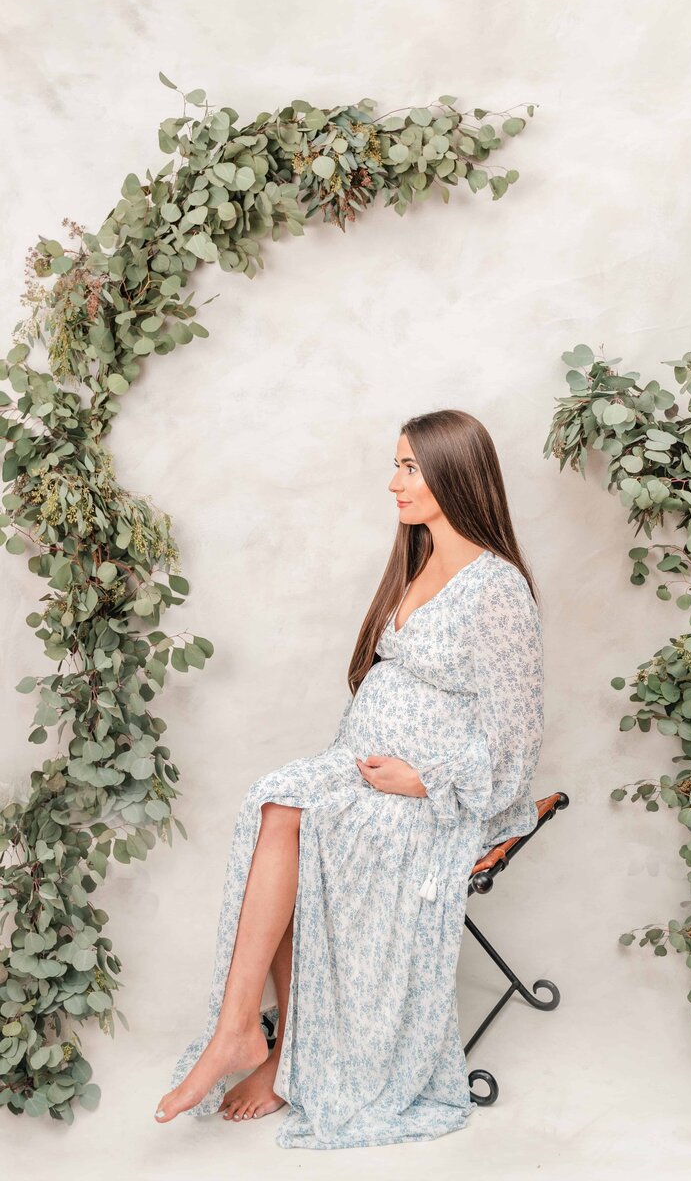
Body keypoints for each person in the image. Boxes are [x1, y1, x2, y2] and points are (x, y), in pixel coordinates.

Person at [153, 408, 545, 1149]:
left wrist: (423, 779)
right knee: (278, 801)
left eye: (408, 467)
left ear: (454, 475)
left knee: (306, 822)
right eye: (395, 465)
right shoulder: (418, 560)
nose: (392, 482)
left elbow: (516, 737)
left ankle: (263, 1045)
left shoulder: (497, 589)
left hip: (445, 798)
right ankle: (247, 1034)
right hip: (372, 776)